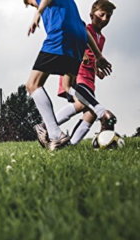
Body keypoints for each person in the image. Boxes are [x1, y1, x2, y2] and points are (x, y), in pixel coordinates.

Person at [24, 0, 115, 151]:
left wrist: (38, 12)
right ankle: (100, 112)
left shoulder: (42, 4)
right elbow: (83, 28)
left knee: (33, 84)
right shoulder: (68, 3)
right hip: (79, 38)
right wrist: (98, 56)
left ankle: (54, 133)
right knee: (69, 86)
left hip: (61, 34)